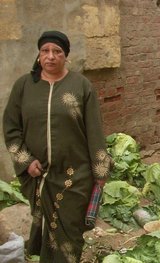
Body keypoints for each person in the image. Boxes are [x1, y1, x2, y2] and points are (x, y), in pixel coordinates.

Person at [3, 30, 112, 262]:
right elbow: (11, 129)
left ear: (66, 56)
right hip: (39, 176)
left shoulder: (81, 86)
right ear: (39, 55)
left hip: (75, 176)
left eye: (57, 51)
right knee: (45, 234)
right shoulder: (24, 86)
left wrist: (100, 172)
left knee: (70, 234)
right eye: (45, 51)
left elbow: (95, 131)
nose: (50, 56)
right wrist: (25, 161)